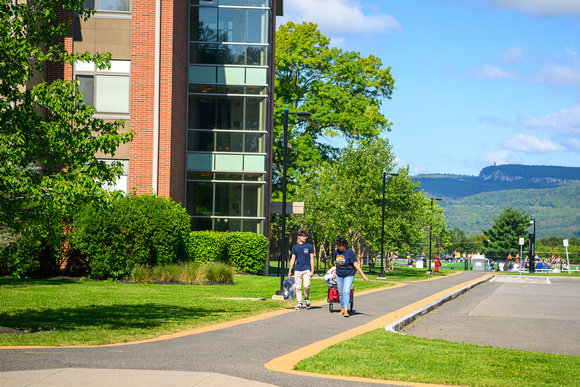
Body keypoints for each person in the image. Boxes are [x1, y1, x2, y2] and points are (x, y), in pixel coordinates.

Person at [333, 236, 369, 317]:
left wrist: (363, 275)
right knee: (341, 292)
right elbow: (337, 263)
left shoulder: (349, 252)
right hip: (339, 274)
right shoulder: (336, 252)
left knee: (346, 291)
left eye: (340, 246)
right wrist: (335, 272)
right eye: (338, 246)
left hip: (349, 274)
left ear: (344, 245)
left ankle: (346, 310)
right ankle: (342, 308)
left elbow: (355, 264)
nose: (339, 247)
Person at [287, 229, 315, 310]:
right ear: (299, 237)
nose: (305, 238)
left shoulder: (309, 246)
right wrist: (289, 271)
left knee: (307, 286)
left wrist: (312, 270)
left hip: (306, 269)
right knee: (298, 287)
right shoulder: (295, 247)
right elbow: (292, 259)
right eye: (303, 236)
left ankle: (307, 299)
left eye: (306, 236)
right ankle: (299, 302)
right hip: (298, 269)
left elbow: (312, 259)